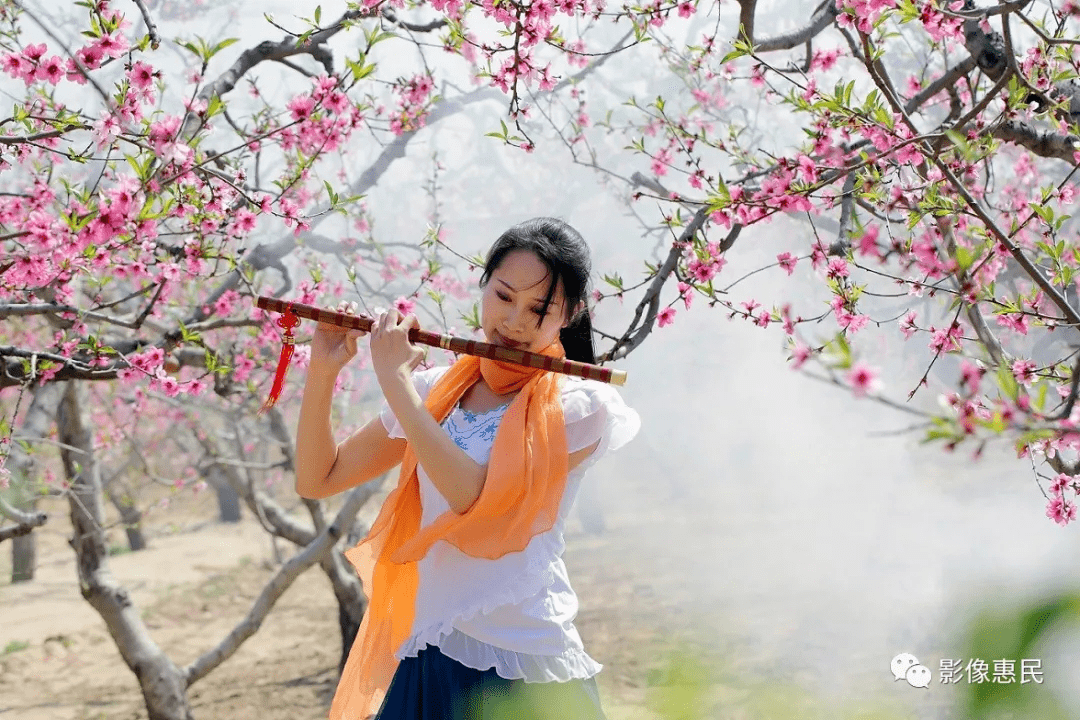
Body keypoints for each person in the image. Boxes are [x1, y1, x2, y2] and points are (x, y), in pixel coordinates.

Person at [295, 217, 641, 720]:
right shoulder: (436, 390)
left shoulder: (581, 405)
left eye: (539, 309)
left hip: (527, 664)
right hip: (433, 647)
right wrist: (323, 368)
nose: (516, 322)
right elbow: (318, 477)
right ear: (483, 286)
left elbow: (473, 501)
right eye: (503, 296)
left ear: (572, 314)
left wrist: (396, 382)